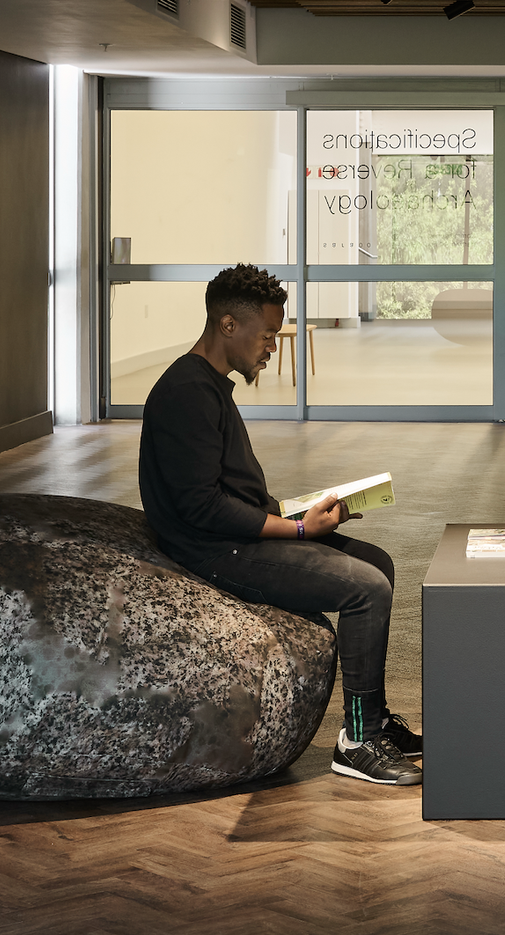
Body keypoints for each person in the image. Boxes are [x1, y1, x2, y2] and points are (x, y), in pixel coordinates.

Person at [139, 264, 423, 786]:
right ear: (228, 325)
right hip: (214, 551)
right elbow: (202, 508)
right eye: (267, 334)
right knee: (366, 588)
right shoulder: (186, 393)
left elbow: (229, 490)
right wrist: (298, 531)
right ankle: (356, 742)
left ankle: (373, 718)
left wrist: (303, 513)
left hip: (235, 536)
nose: (272, 346)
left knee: (376, 561)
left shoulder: (209, 385)